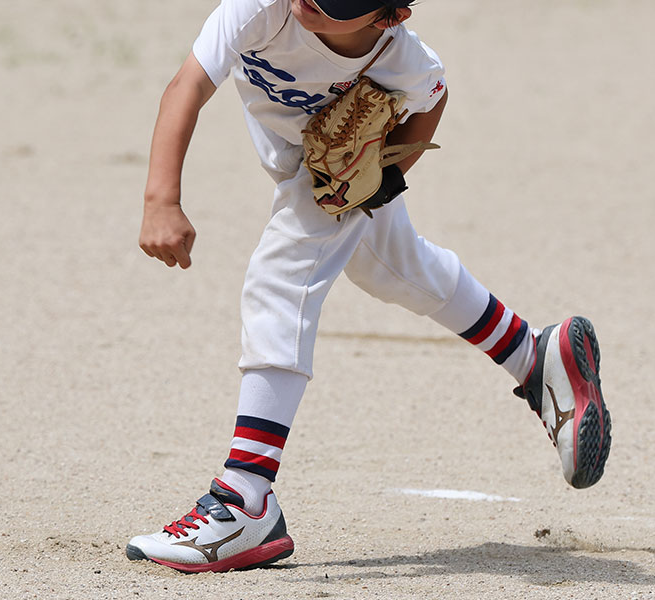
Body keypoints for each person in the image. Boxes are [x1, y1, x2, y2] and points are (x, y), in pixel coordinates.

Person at [127, 0, 611, 574]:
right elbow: (187, 85)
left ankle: (245, 497)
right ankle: (534, 355)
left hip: (328, 183)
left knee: (280, 282)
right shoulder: (259, 7)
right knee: (392, 266)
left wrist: (384, 182)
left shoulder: (399, 55)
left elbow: (432, 96)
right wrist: (162, 198)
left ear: (386, 17)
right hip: (301, 166)